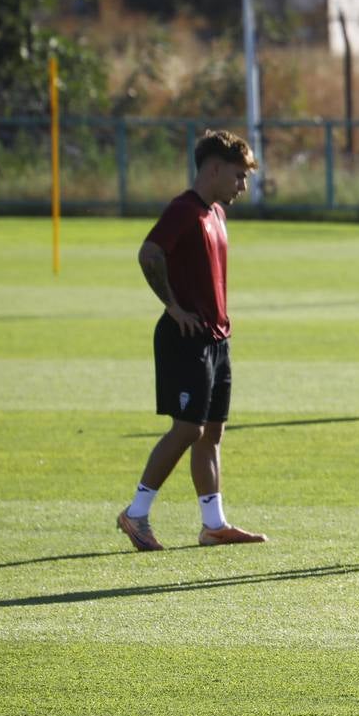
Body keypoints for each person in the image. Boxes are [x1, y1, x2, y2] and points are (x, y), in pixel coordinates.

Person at [116, 130, 267, 551]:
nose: (243, 186)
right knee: (187, 429)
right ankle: (136, 513)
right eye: (239, 176)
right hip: (186, 339)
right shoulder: (184, 210)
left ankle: (213, 524)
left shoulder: (215, 213)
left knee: (211, 434)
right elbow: (149, 253)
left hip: (217, 338)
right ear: (214, 169)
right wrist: (173, 307)